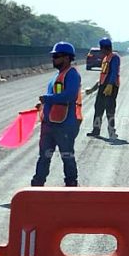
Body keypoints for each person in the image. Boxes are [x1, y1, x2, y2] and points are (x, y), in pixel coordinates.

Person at [31, 42, 83, 187]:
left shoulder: (72, 74)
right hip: (50, 125)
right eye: (53, 56)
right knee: (44, 157)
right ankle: (37, 186)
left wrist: (48, 99)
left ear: (66, 58)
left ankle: (71, 185)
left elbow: (70, 95)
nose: (53, 59)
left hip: (65, 125)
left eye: (56, 56)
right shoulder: (57, 76)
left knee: (67, 156)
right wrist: (43, 105)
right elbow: (55, 96)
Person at [85, 37, 120, 139]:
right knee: (98, 108)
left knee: (110, 110)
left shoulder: (114, 57)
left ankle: (112, 131)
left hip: (111, 87)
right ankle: (96, 130)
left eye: (101, 49)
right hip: (103, 86)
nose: (100, 51)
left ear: (104, 48)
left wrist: (110, 85)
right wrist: (93, 89)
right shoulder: (105, 58)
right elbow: (102, 76)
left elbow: (114, 72)